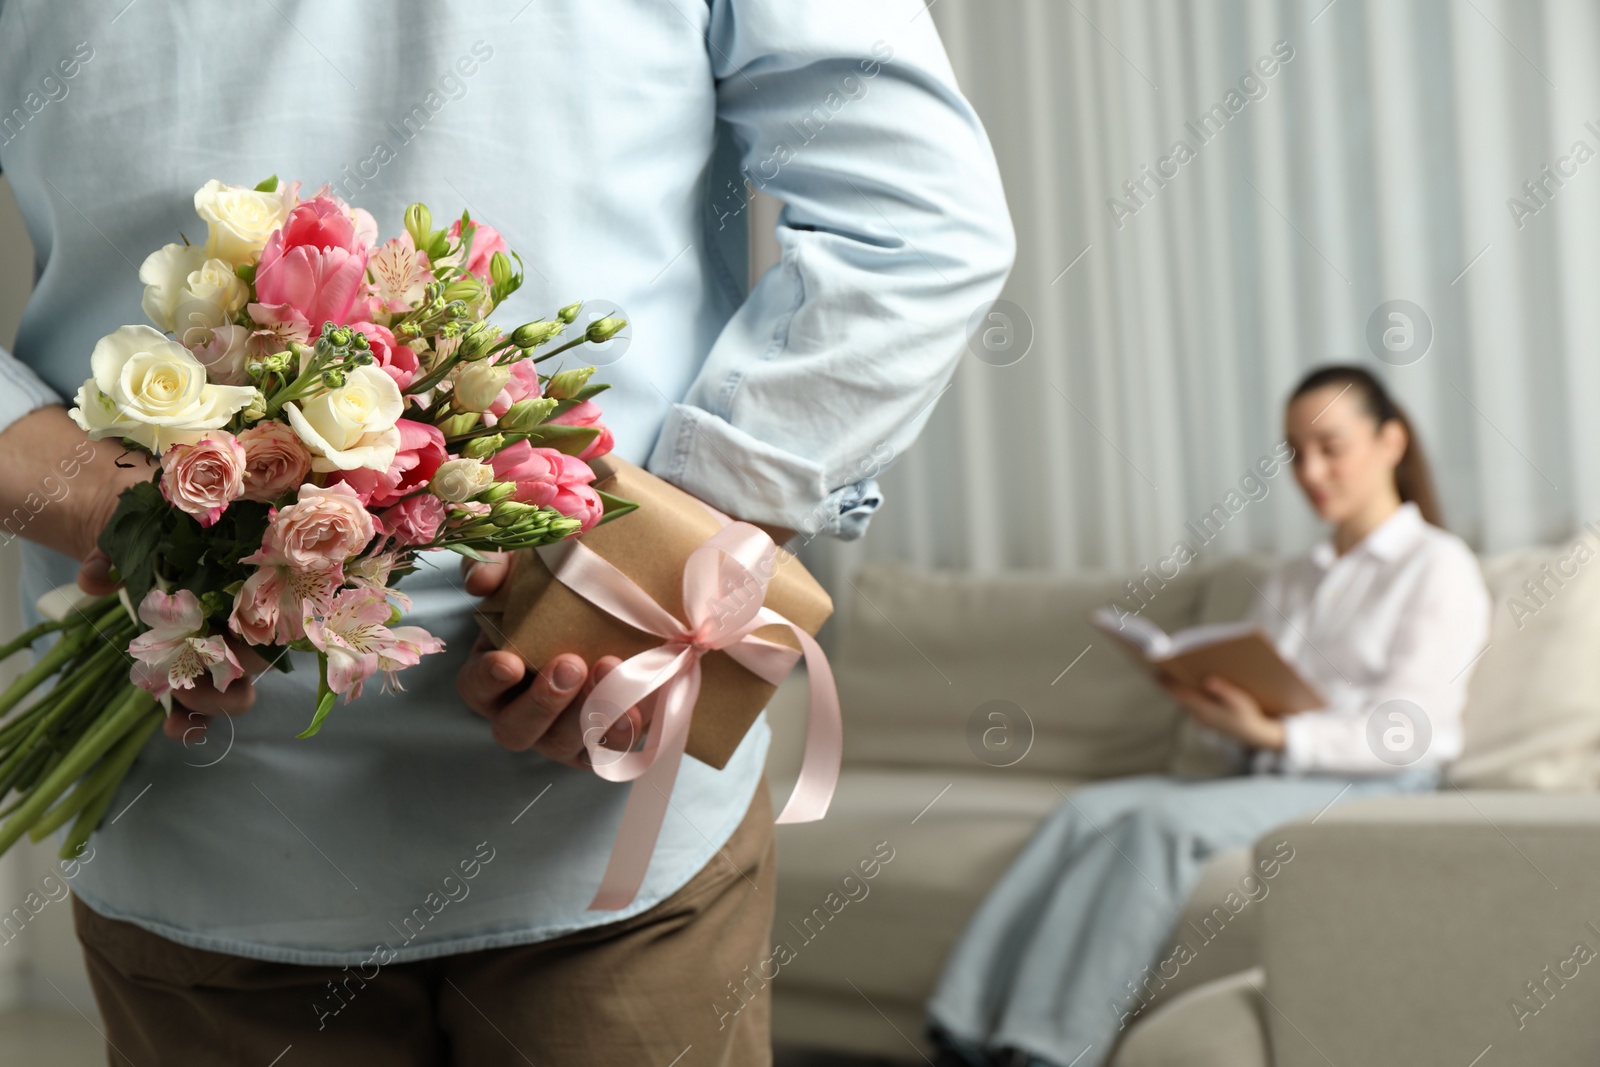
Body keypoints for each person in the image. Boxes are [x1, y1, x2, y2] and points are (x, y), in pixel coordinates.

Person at [0, 2, 1015, 1063]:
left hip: (572, 804)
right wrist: (660, 568)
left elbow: (918, 224)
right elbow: (917, 219)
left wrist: (647, 577)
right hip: (261, 802)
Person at [926, 365, 1492, 1067]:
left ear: (1391, 441)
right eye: (1293, 451)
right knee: (1084, 811)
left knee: (1161, 824)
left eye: (1330, 446)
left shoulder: (1437, 565)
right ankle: (961, 1028)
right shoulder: (1293, 577)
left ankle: (1045, 1050)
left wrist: (1278, 733)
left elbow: (1414, 728)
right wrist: (1217, 710)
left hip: (1379, 784)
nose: (1310, 470)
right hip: (1272, 768)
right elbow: (1256, 698)